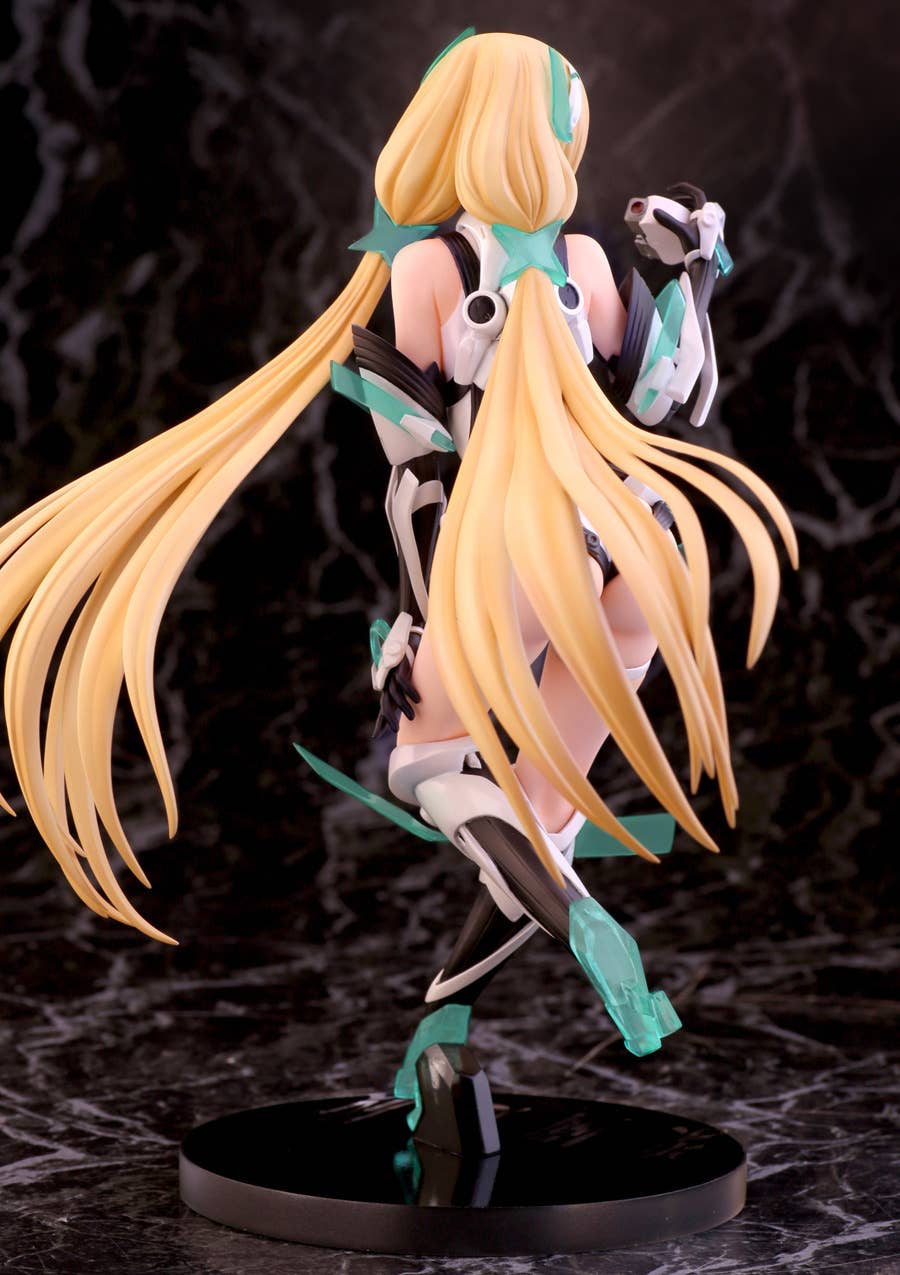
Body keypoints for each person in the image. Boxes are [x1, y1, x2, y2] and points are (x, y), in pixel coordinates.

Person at [0, 31, 796, 1095]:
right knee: (540, 814)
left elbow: (417, 469)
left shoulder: (430, 268)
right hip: (628, 544)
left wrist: (423, 620)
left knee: (435, 773)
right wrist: (688, 273)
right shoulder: (585, 263)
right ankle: (447, 1028)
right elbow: (671, 402)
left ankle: (582, 925)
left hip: (511, 544)